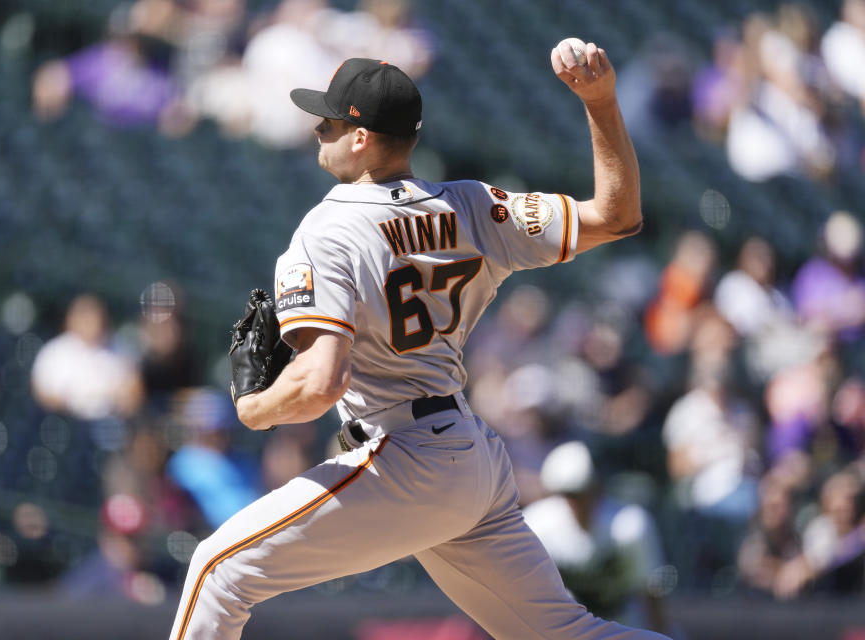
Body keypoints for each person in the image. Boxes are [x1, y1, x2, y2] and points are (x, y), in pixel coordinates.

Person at [169, 43, 670, 639]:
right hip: (470, 456)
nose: (317, 129)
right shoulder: (476, 205)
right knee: (566, 633)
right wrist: (601, 102)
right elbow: (617, 216)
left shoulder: (328, 229)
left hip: (405, 454)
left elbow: (322, 381)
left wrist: (256, 409)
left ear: (361, 137)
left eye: (328, 120)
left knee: (217, 570)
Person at [523, 441, 670, 633]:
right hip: (564, 629)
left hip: (622, 624)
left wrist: (661, 633)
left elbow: (650, 591)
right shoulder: (538, 526)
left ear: (597, 488)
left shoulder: (630, 527)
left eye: (582, 492)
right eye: (569, 494)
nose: (577, 502)